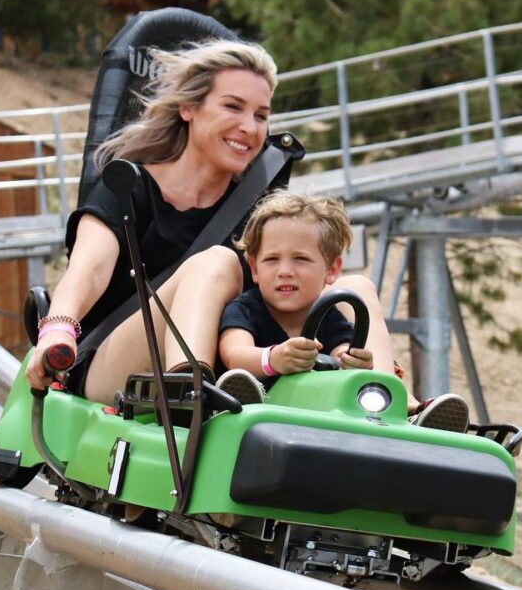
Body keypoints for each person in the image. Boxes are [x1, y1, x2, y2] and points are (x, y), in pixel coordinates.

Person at [24, 40, 404, 415]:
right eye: (233, 107)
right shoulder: (129, 187)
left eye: (260, 115)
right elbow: (89, 269)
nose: (249, 127)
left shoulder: (259, 209)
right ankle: (186, 388)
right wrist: (57, 331)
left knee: (353, 287)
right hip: (111, 363)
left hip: (234, 371)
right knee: (218, 262)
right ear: (189, 108)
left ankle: (391, 404)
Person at [214, 190, 469, 431]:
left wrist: (354, 361)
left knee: (354, 383)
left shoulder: (330, 316)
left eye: (300, 259)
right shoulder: (246, 309)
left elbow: (342, 349)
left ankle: (408, 413)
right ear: (254, 269)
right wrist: (274, 359)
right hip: (259, 407)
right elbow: (234, 353)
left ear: (332, 269)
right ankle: (245, 397)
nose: (285, 271)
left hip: (313, 412)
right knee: (243, 379)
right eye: (272, 260)